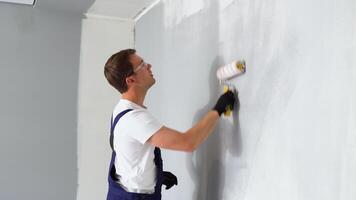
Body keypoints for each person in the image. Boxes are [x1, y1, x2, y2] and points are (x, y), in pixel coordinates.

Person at [104, 49, 235, 200]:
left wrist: (154, 175)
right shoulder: (134, 119)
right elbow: (188, 143)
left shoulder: (121, 109)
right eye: (142, 65)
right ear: (131, 80)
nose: (149, 66)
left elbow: (124, 151)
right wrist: (218, 109)